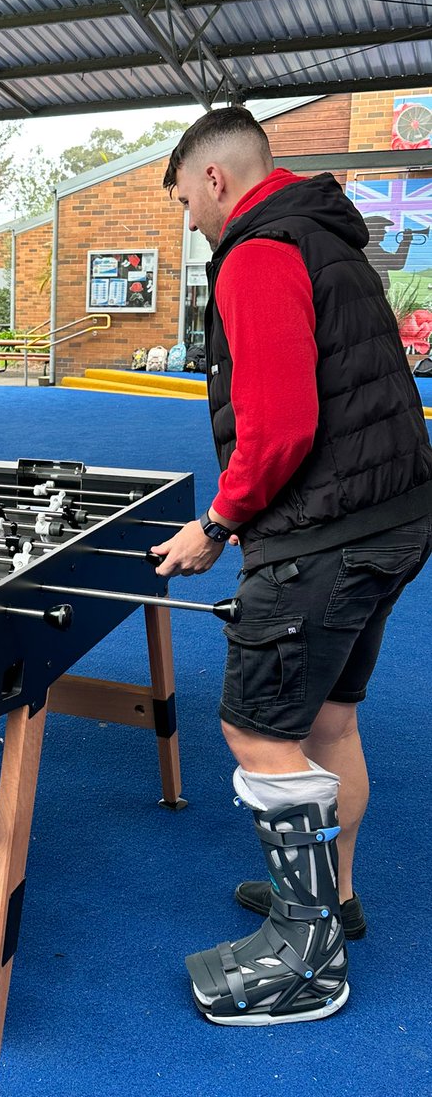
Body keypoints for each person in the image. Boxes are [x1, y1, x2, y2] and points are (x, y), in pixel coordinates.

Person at [154, 106, 432, 1026]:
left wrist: (218, 525)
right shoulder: (327, 239)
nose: (191, 220)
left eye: (187, 200)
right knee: (330, 718)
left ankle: (307, 958)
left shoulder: (259, 252)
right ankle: (333, 901)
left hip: (327, 534)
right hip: (392, 517)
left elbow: (278, 425)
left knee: (255, 732)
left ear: (216, 181)